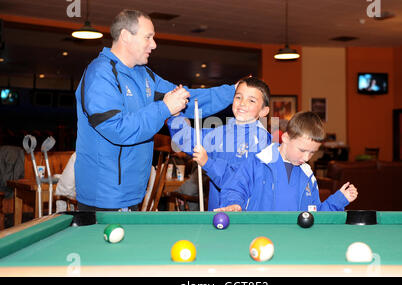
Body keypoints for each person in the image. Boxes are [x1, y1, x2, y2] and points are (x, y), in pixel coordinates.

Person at [75, 9, 236, 211]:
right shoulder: (100, 73)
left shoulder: (144, 75)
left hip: (133, 192)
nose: (154, 44)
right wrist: (165, 108)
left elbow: (187, 98)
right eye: (148, 37)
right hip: (104, 196)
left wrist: (234, 92)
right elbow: (117, 128)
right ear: (125, 36)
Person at [215, 111, 358, 212]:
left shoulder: (307, 175)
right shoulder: (257, 162)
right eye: (302, 150)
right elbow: (235, 189)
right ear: (285, 138)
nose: (307, 158)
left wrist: (339, 200)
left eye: (312, 152)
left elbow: (315, 215)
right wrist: (233, 204)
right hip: (258, 238)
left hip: (294, 245)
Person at [167, 77, 272, 210]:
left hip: (244, 218)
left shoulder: (261, 140)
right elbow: (186, 139)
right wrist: (176, 113)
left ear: (263, 111)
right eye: (238, 97)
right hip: (218, 213)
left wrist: (208, 163)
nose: (242, 103)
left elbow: (239, 181)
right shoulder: (222, 132)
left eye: (251, 100)